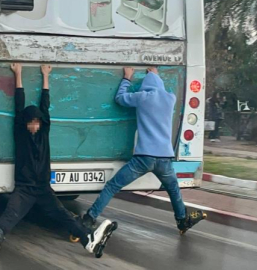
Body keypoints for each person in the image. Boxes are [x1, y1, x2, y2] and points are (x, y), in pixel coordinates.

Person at [0, 63, 117, 259]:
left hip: (42, 188)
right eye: (31, 122)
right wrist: (18, 74)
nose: (34, 125)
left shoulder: (44, 133)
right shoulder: (20, 132)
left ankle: (89, 241)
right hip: (24, 188)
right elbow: (19, 103)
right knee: (11, 214)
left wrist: (46, 76)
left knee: (63, 215)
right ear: (25, 123)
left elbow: (45, 105)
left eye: (37, 122)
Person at [82, 67, 206, 234]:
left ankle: (90, 218)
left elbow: (119, 98)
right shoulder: (170, 98)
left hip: (143, 158)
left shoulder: (142, 97)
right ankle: (182, 220)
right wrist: (155, 74)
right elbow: (165, 87)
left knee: (113, 186)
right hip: (164, 159)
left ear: (145, 85)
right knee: (173, 189)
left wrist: (127, 78)